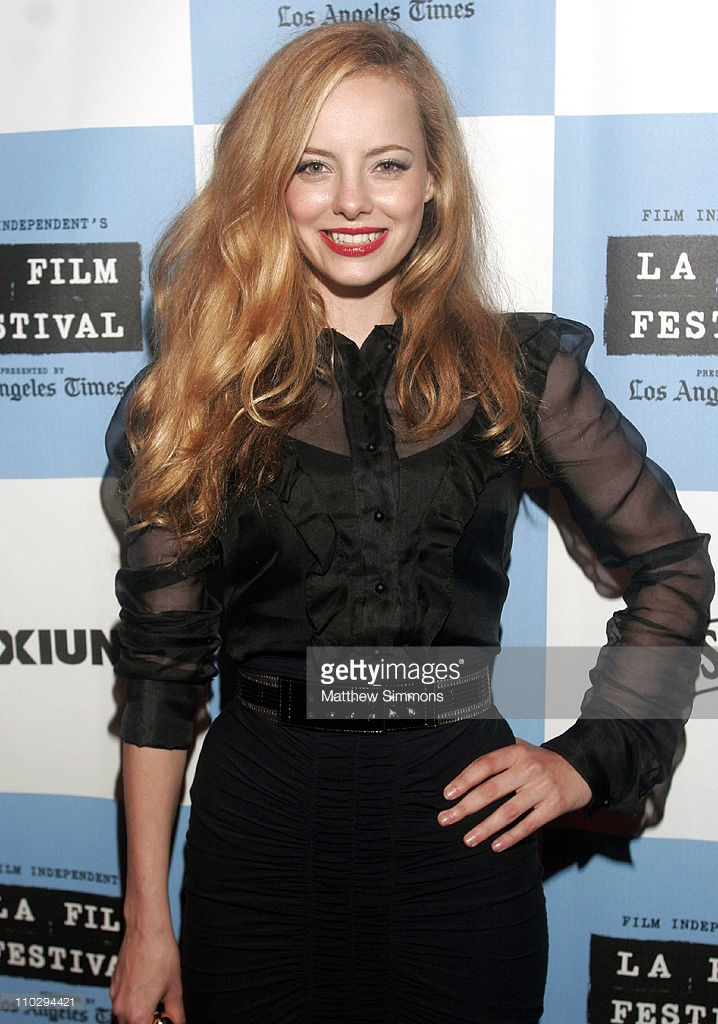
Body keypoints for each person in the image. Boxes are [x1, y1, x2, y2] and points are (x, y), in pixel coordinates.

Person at [106, 21, 713, 1024]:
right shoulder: (192, 396)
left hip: (460, 837)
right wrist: (145, 920)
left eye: (387, 164)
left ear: (434, 180)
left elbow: (674, 569)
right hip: (257, 838)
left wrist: (591, 756)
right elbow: (162, 675)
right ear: (267, 183)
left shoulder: (515, 373)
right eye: (313, 165)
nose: (353, 200)